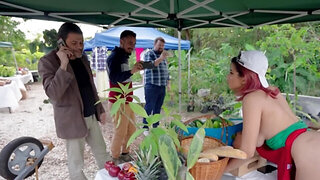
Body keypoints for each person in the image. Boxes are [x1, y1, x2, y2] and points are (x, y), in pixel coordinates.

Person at [225, 50, 320, 179]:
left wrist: (220, 171)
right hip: (312, 142)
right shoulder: (273, 91)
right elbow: (260, 138)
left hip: (308, 152)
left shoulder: (251, 99)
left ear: (244, 78)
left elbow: (247, 151)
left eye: (231, 72)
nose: (228, 77)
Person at [38, 22, 109, 180]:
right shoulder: (48, 62)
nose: (79, 47)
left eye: (81, 42)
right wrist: (63, 64)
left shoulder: (83, 58)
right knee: (76, 164)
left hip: (90, 116)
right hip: (72, 120)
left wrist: (100, 110)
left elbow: (90, 86)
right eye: (74, 43)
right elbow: (53, 94)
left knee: (103, 153)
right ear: (61, 42)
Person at [106, 30, 143, 163]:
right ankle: (115, 157)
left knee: (131, 129)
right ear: (121, 42)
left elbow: (125, 76)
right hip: (118, 101)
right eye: (129, 43)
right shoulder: (114, 57)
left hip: (128, 101)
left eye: (134, 43)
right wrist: (132, 70)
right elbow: (114, 78)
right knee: (120, 131)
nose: (132, 46)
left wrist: (132, 70)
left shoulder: (123, 57)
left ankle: (125, 153)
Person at [143, 37, 170, 129]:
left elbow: (166, 70)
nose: (161, 47)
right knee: (149, 107)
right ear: (154, 44)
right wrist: (161, 58)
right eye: (159, 45)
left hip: (162, 86)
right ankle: (145, 126)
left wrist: (168, 83)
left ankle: (155, 126)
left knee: (158, 107)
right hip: (152, 85)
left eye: (162, 46)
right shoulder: (148, 54)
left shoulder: (163, 57)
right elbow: (149, 65)